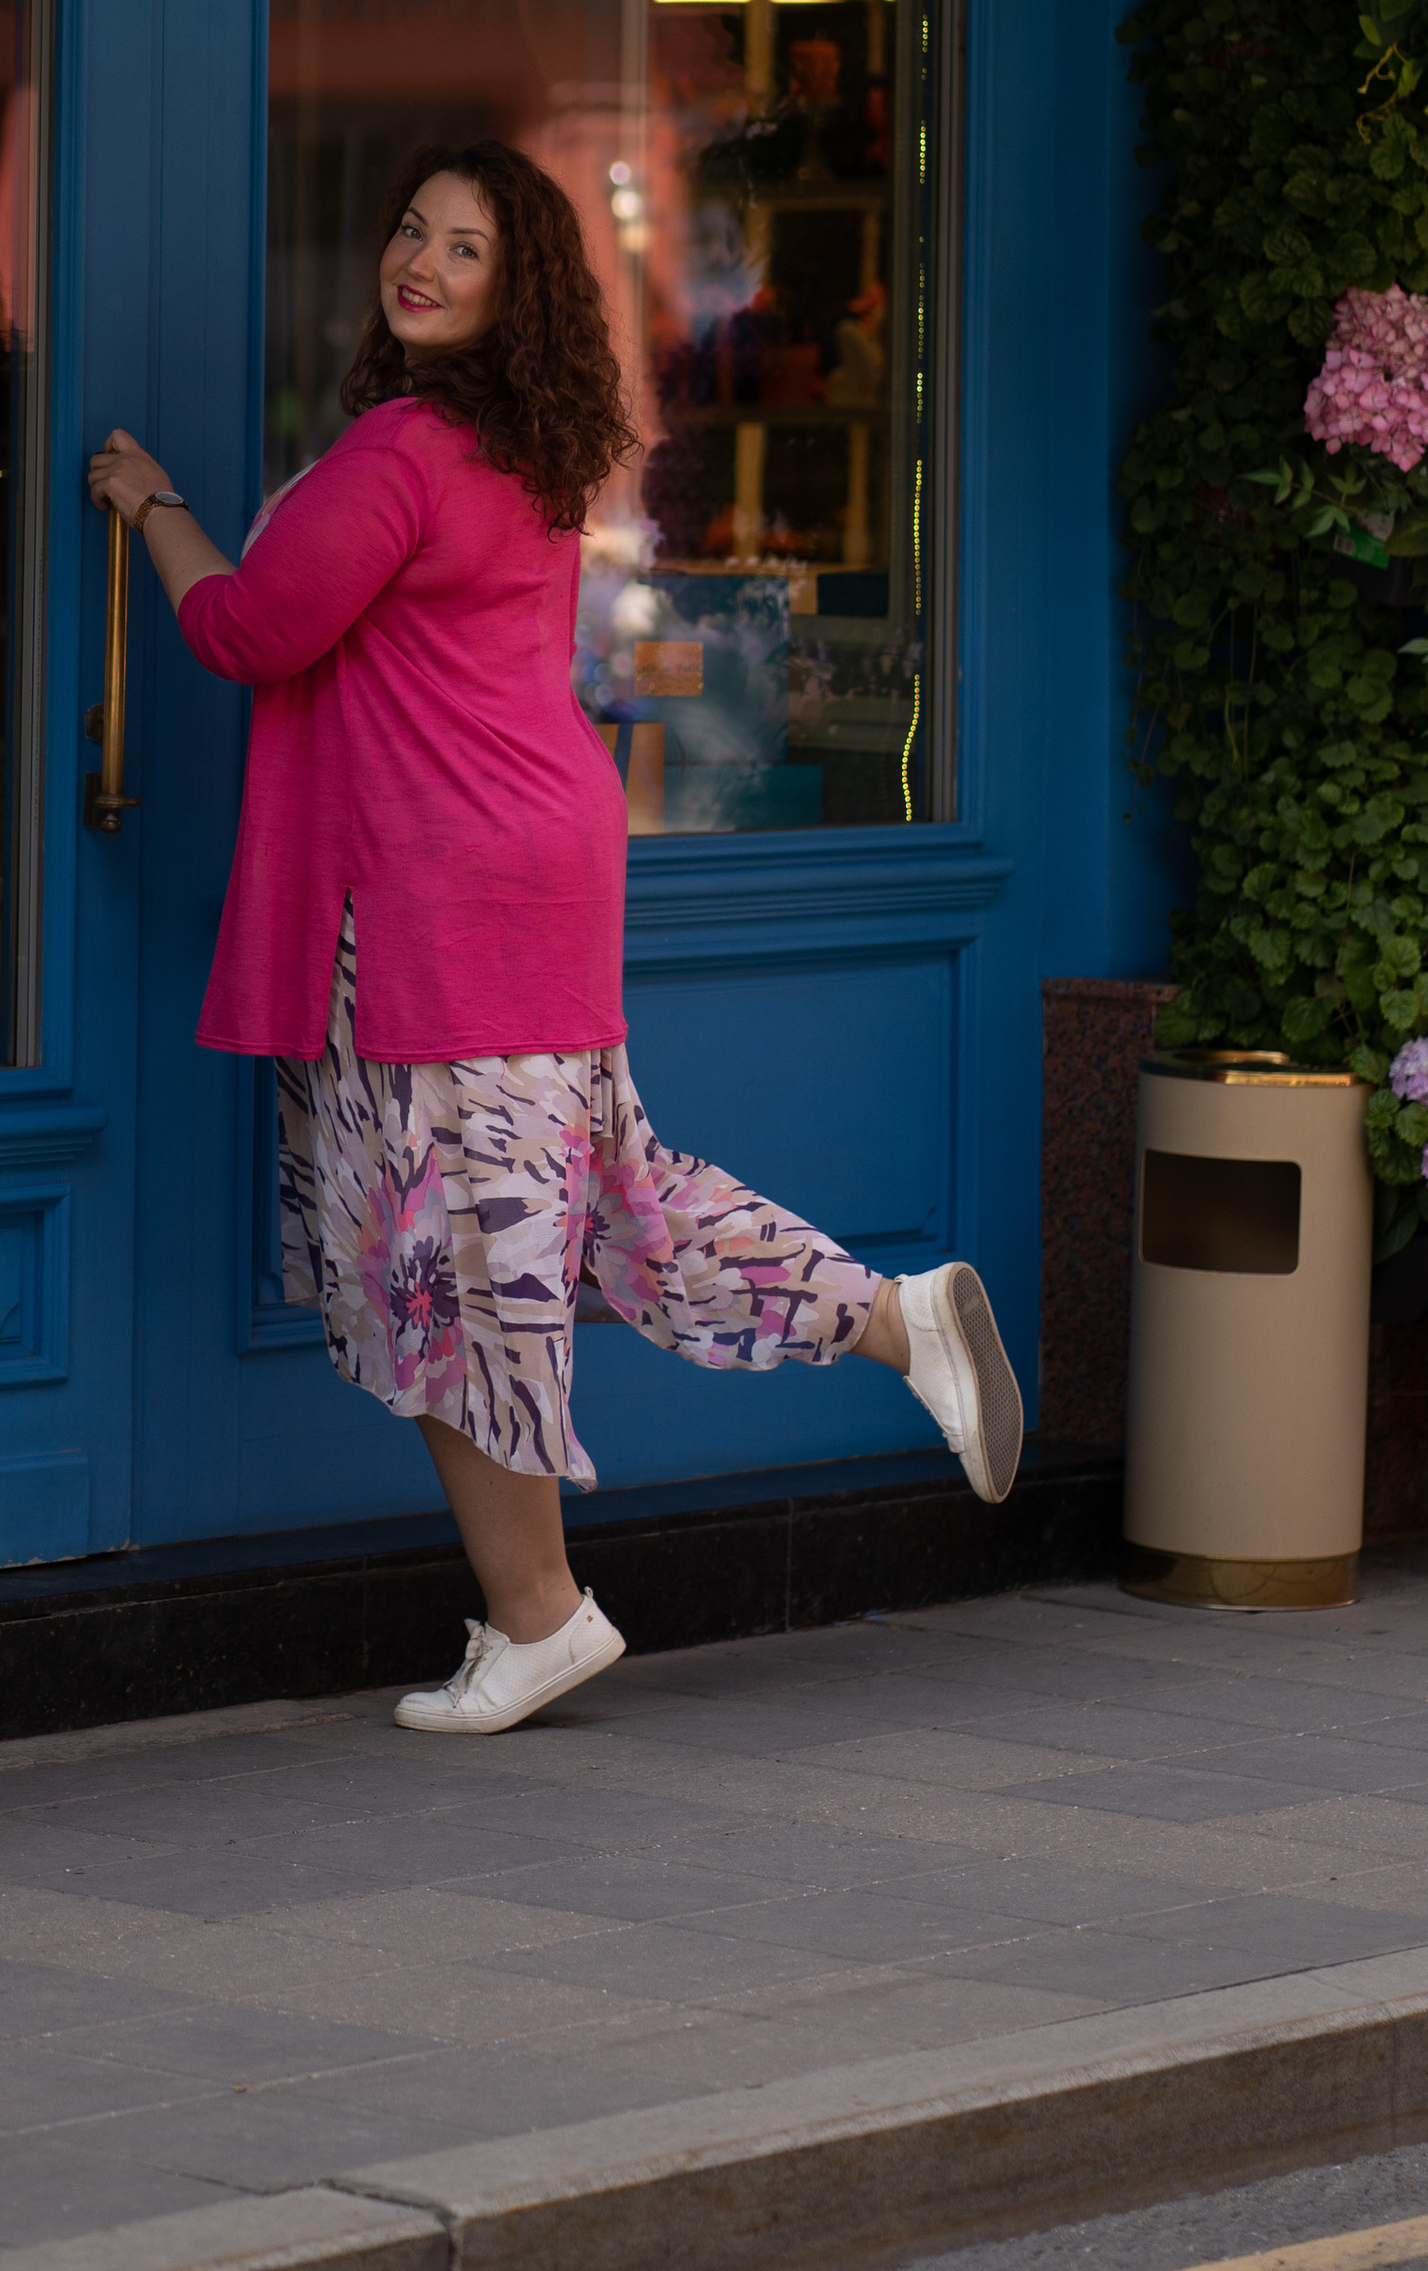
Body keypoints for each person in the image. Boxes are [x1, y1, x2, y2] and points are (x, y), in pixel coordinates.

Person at [87, 140, 1022, 1740]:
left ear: (512, 296)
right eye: (410, 231)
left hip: (442, 897)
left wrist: (147, 502)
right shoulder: (519, 451)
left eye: (466, 248)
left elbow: (248, 629)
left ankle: (540, 1614)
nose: (422, 262)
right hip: (532, 868)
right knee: (593, 1209)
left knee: (450, 1266)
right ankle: (892, 1317)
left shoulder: (400, 448)